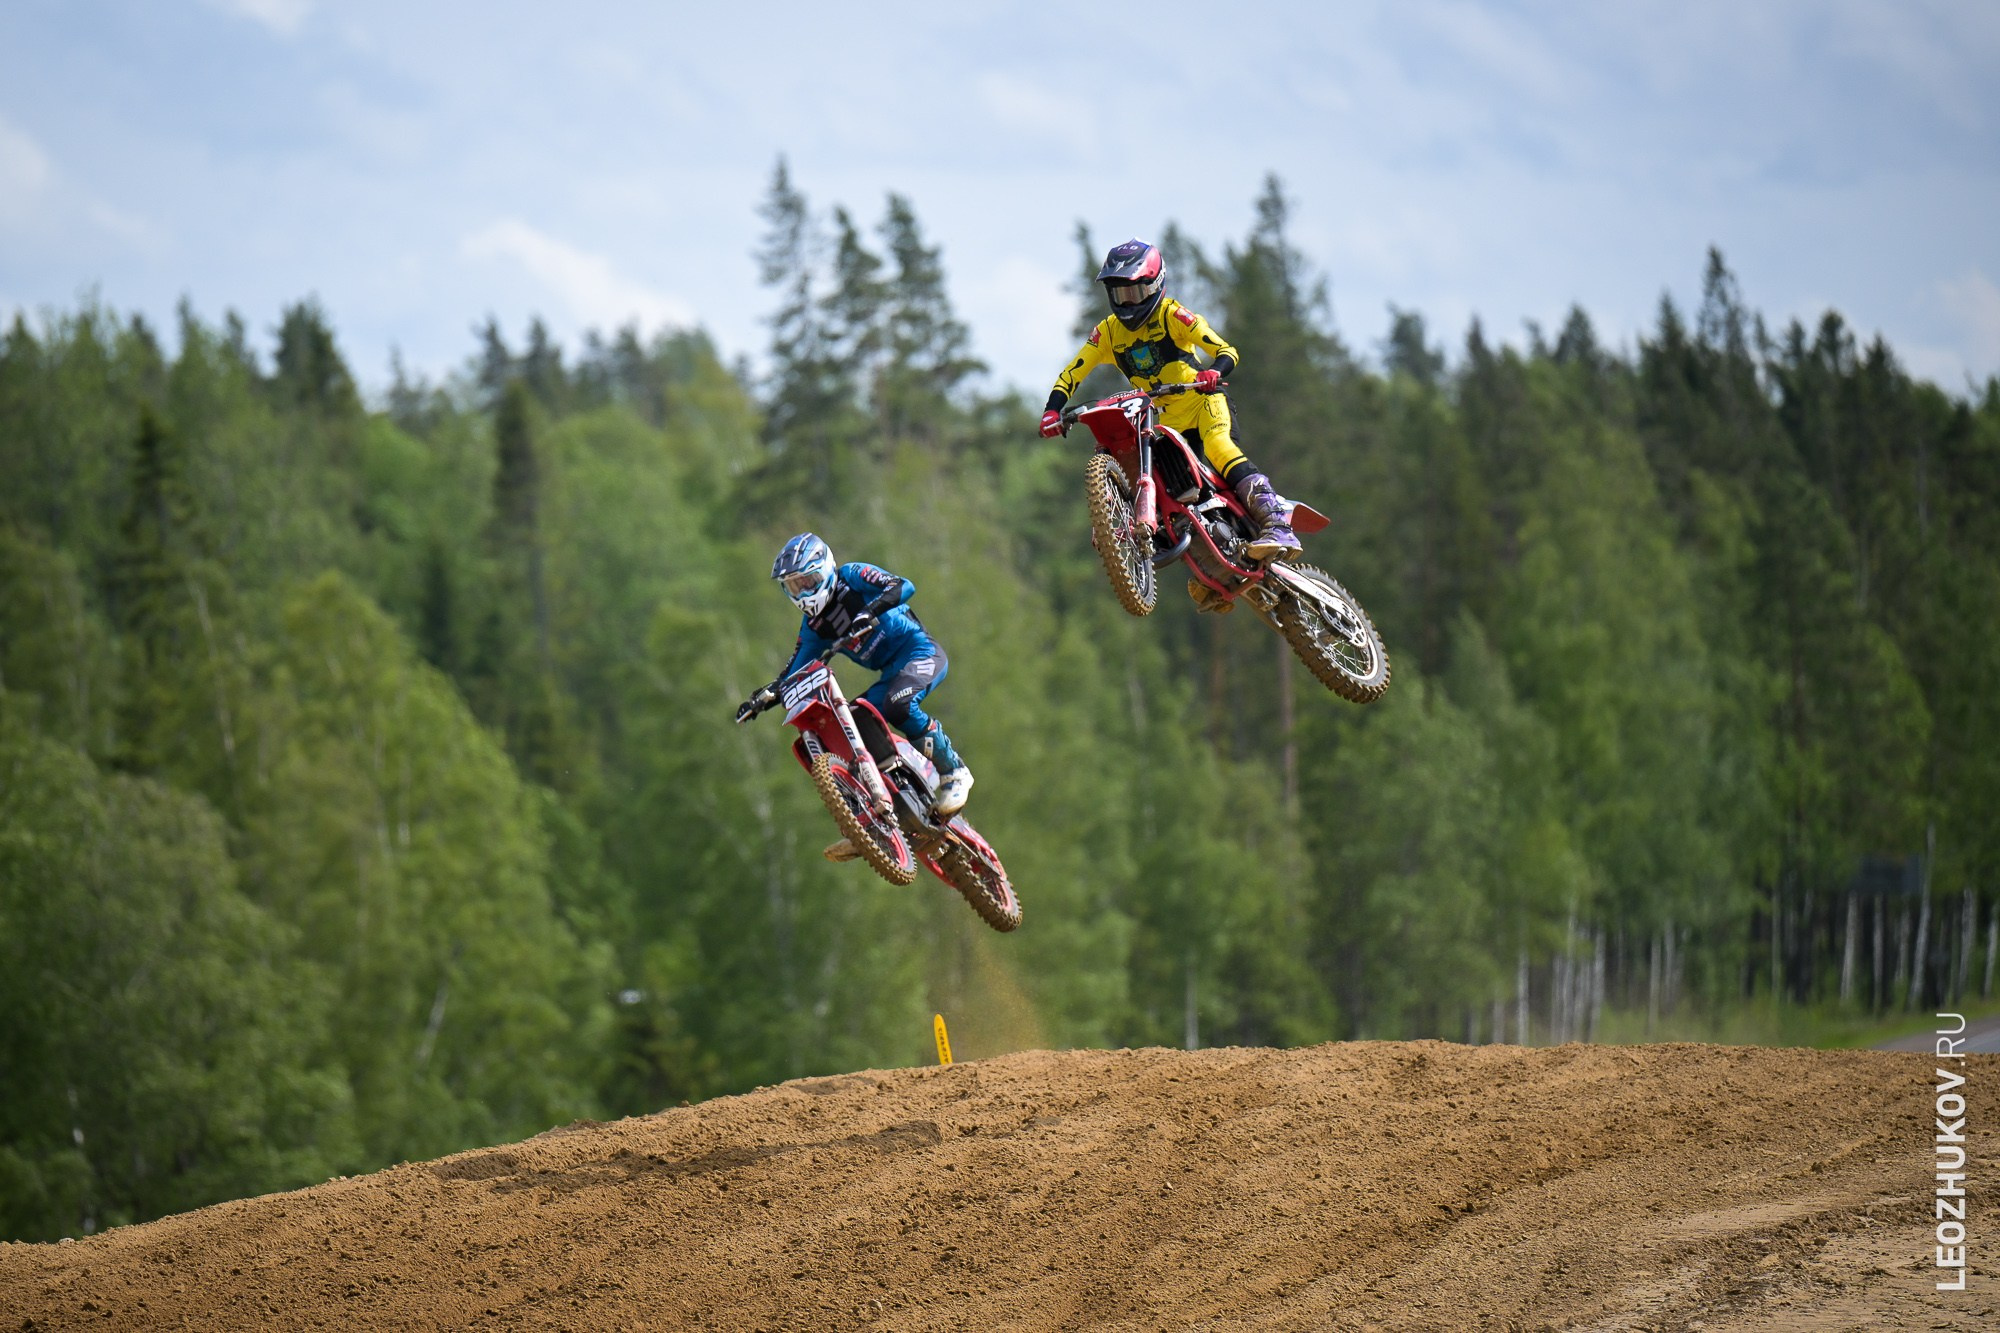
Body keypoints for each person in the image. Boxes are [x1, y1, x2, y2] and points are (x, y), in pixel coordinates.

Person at [1039, 238, 1300, 563]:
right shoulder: (1107, 333)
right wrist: (1053, 411)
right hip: (1168, 423)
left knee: (1220, 449)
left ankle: (1277, 524)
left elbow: (1226, 350)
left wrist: (1213, 373)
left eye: (1134, 293)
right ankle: (1214, 566)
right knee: (1172, 495)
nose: (1127, 303)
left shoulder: (1172, 315)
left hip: (1204, 403)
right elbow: (1072, 373)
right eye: (1119, 294)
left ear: (1154, 285)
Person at [736, 534, 973, 858]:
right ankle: (871, 820)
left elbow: (902, 586)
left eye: (809, 581)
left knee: (897, 703)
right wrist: (764, 697)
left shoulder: (852, 577)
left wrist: (870, 610)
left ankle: (954, 771)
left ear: (826, 569)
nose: (804, 592)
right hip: (891, 673)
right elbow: (795, 667)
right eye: (794, 586)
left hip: (921, 652)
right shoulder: (815, 626)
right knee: (854, 722)